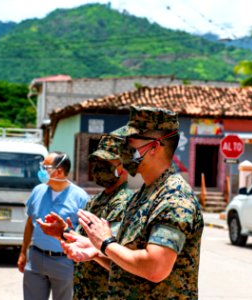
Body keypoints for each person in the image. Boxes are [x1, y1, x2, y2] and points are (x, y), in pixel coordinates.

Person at [62, 105, 204, 299]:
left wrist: (105, 244)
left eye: (130, 143)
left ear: (154, 146)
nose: (124, 150)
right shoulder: (142, 196)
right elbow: (128, 265)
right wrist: (96, 251)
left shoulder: (174, 199)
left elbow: (155, 268)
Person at [37, 134, 133, 299]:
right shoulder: (95, 201)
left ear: (123, 167)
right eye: (96, 162)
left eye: (105, 163)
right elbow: (85, 244)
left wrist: (94, 250)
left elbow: (114, 254)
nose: (97, 168)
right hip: (84, 292)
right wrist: (63, 232)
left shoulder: (126, 203)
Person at [17, 151, 89, 300]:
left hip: (64, 262)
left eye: (45, 167)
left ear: (59, 171)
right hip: (36, 259)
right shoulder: (38, 191)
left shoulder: (80, 197)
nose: (41, 171)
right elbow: (30, 223)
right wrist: (23, 252)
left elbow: (85, 234)